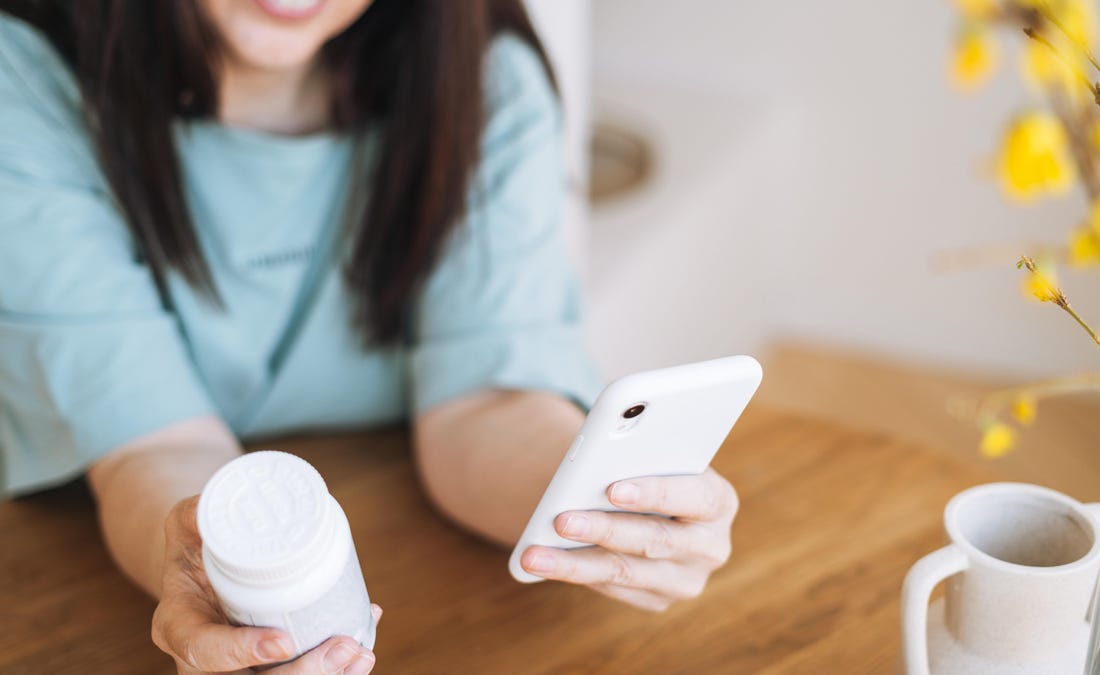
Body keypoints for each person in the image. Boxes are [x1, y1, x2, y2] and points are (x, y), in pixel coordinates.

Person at [0, 1, 740, 673]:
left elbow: (486, 402)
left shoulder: (478, 75)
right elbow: (152, 445)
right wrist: (226, 577)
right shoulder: (27, 83)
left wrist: (604, 503)